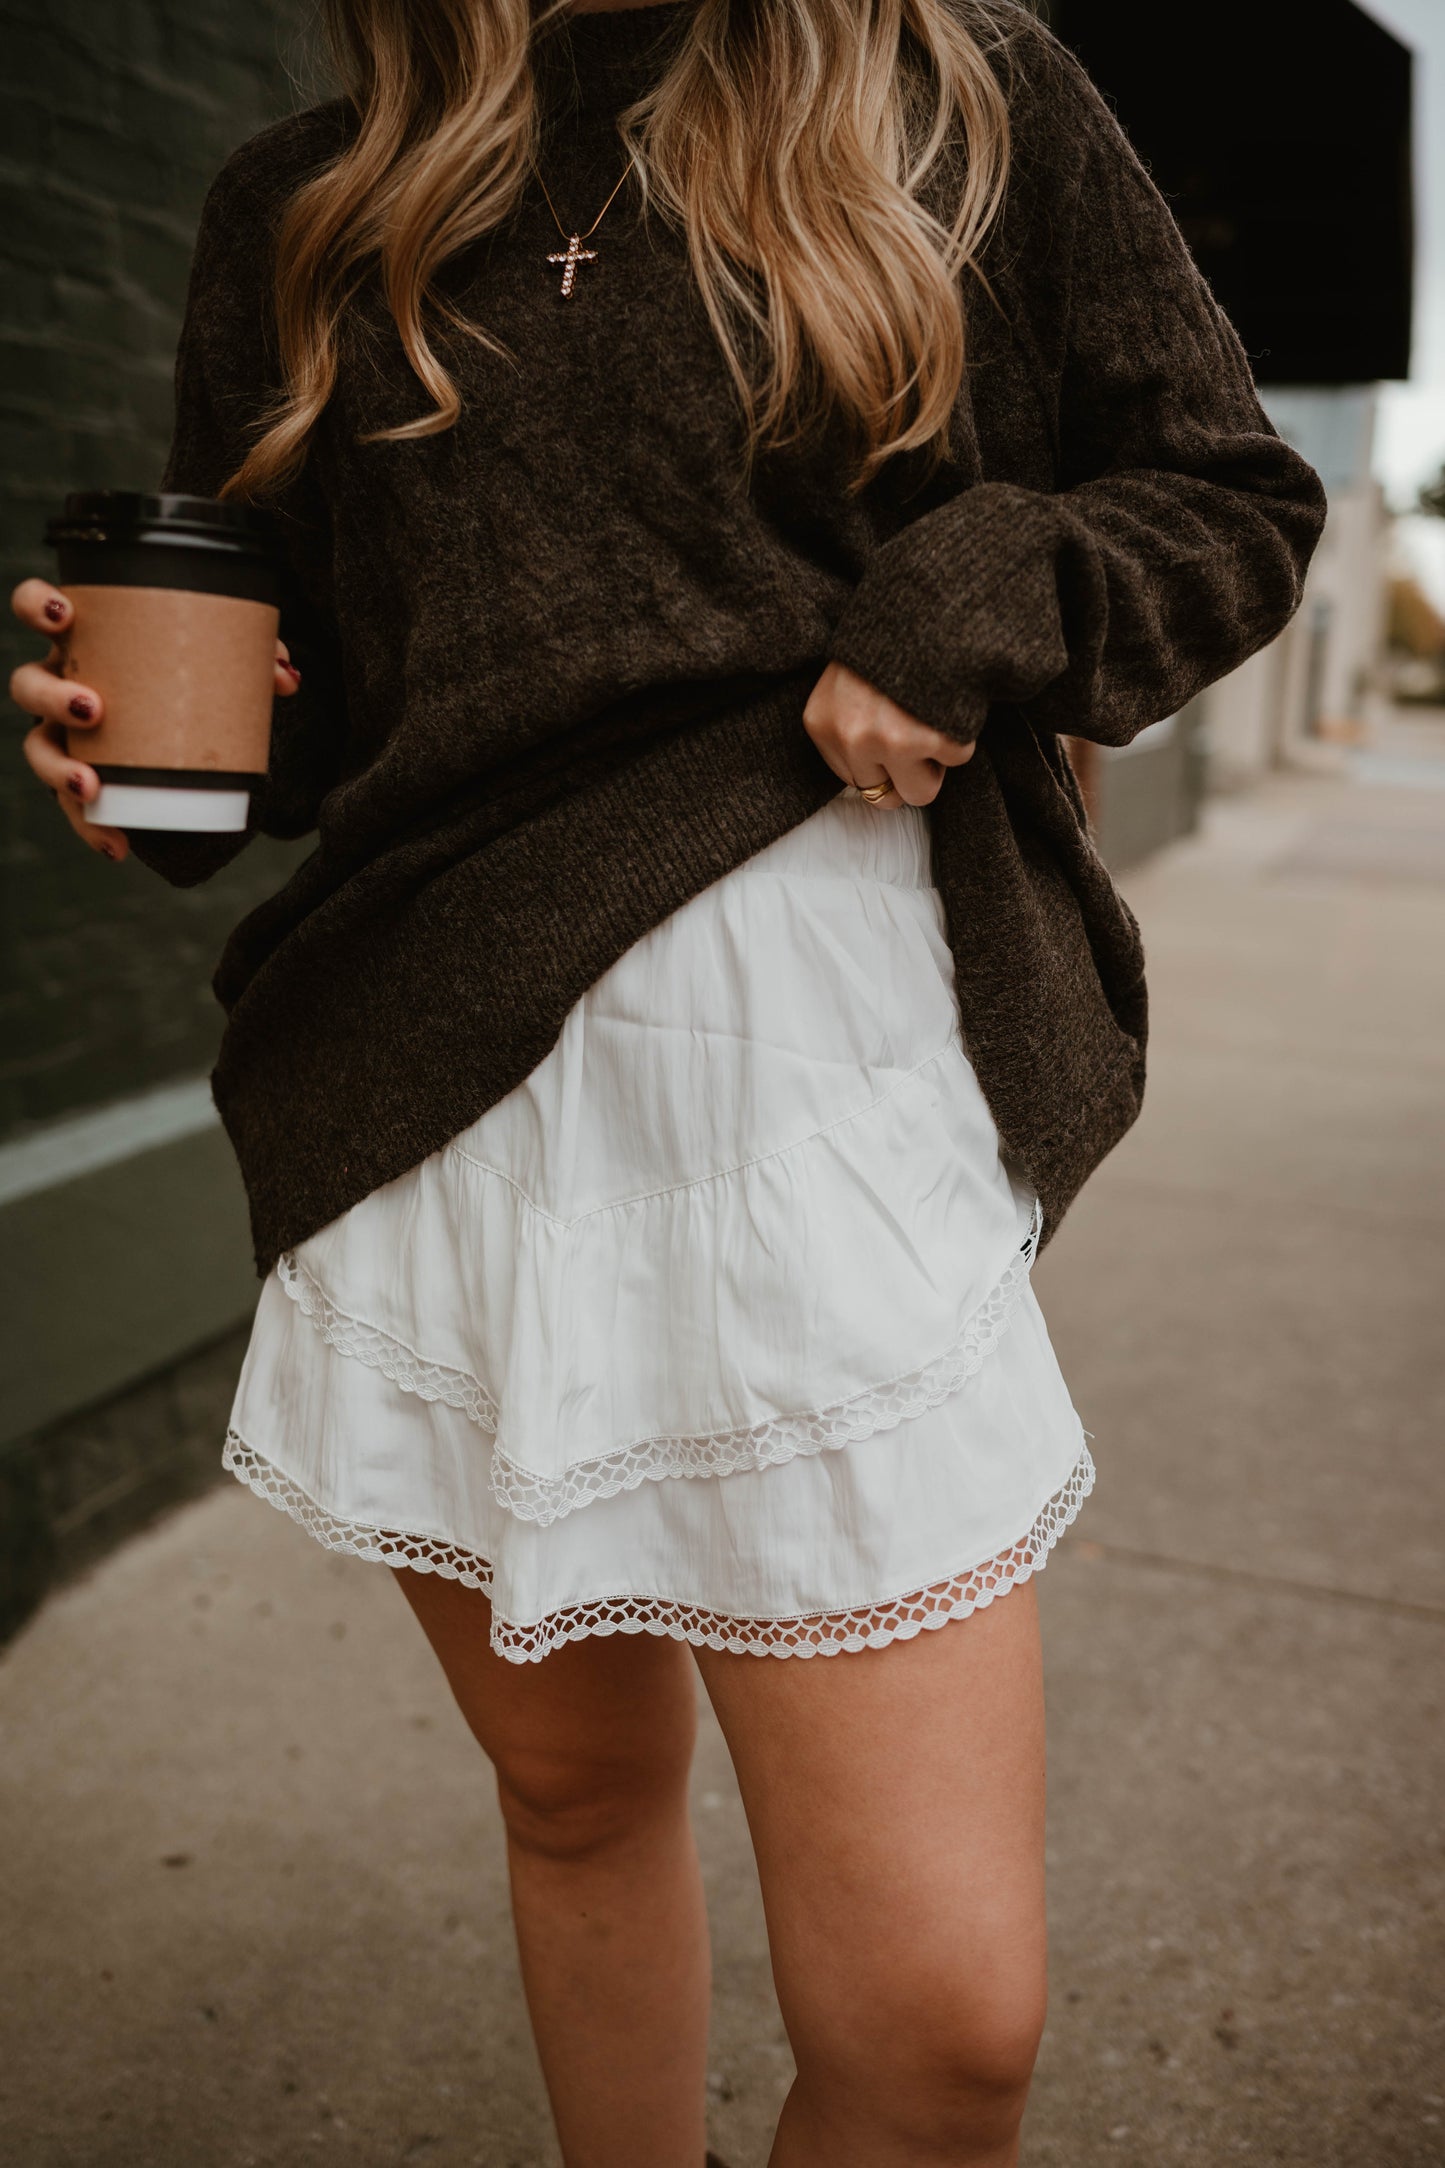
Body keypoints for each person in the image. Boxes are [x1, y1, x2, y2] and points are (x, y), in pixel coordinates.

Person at [11, 1, 1325, 2161]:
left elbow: (1229, 498)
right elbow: (334, 714)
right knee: (574, 1799)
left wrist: (975, 590)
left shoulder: (952, 80)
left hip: (816, 1076)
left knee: (942, 2032)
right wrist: (143, 750)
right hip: (444, 1087)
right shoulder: (309, 197)